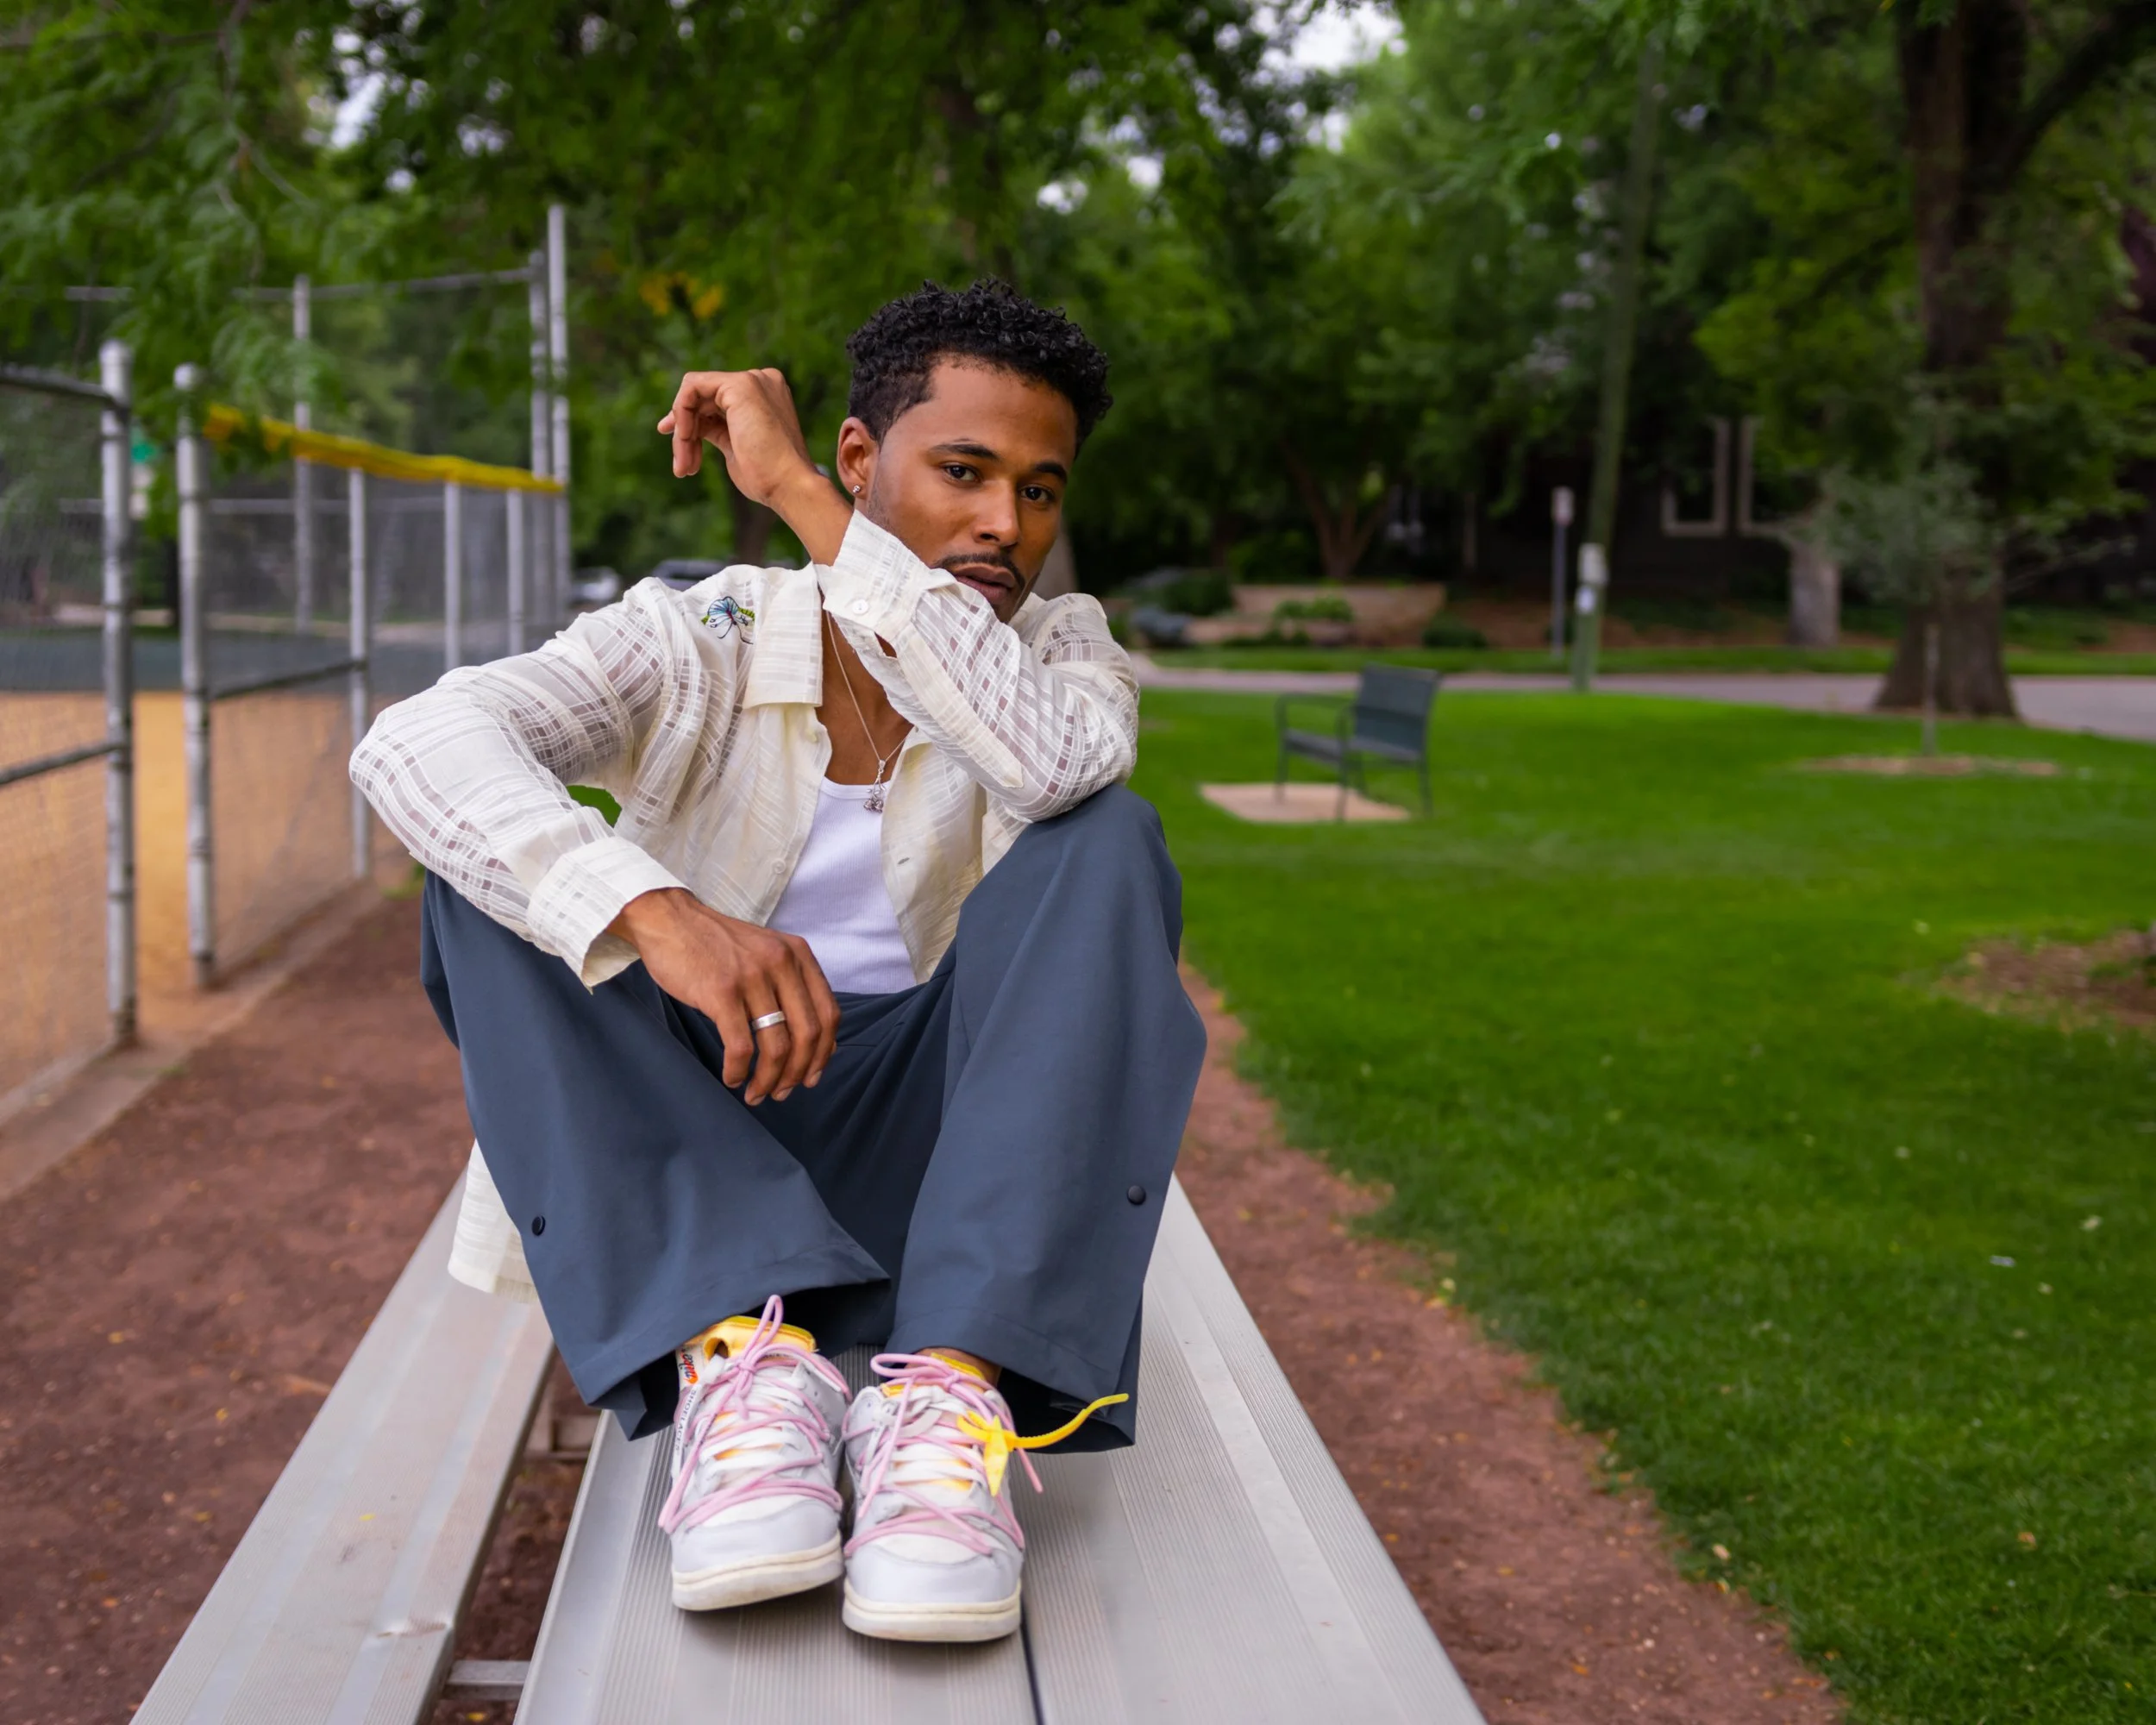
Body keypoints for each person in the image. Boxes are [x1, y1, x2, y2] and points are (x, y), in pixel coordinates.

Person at [351, 279, 1206, 1645]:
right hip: (708, 1139)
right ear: (873, 458)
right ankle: (742, 1371)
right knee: (491, 878)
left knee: (1109, 840)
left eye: (1040, 491)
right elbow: (411, 745)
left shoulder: (1063, 651)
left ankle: (948, 1403)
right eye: (967, 471)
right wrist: (656, 912)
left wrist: (815, 506)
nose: (1006, 524)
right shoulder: (706, 636)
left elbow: (1054, 769)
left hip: (950, 1177)